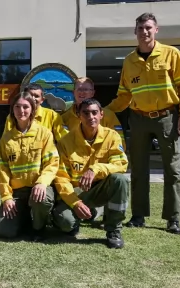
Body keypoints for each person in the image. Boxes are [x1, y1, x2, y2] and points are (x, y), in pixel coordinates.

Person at [105, 13, 180, 234]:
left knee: (172, 170)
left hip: (167, 118)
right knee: (138, 169)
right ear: (135, 32)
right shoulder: (129, 61)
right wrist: (102, 112)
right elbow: (124, 95)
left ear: (156, 30)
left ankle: (173, 219)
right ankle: (139, 215)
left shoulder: (172, 54)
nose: (145, 32)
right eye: (141, 28)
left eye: (148, 27)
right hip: (138, 118)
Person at [53, 98, 129, 249]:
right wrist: (75, 203)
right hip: (76, 192)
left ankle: (114, 230)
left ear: (101, 115)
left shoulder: (112, 136)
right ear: (79, 115)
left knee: (120, 180)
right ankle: (89, 212)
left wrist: (95, 169)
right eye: (86, 113)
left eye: (94, 113)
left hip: (100, 189)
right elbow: (61, 178)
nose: (90, 117)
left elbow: (120, 164)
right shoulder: (66, 142)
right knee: (66, 223)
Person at [0, 92, 59, 241]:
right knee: (5, 231)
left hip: (37, 188)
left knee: (42, 199)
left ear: (32, 109)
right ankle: (24, 217)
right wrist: (6, 197)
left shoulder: (44, 134)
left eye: (25, 106)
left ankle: (38, 228)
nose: (21, 111)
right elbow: (3, 172)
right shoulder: (6, 139)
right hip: (17, 193)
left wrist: (42, 183)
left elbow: (52, 163)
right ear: (12, 109)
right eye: (17, 107)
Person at [62, 77, 125, 148]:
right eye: (79, 89)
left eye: (86, 89)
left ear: (92, 93)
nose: (82, 92)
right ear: (73, 93)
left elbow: (119, 142)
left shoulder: (109, 115)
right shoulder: (65, 118)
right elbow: (64, 144)